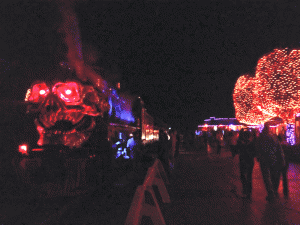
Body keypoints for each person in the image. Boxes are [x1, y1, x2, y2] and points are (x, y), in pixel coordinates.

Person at [256, 123, 287, 201]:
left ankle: (270, 192)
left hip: (264, 159)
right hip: (273, 158)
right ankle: (274, 190)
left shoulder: (261, 137)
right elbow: (279, 148)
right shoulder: (273, 137)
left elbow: (258, 148)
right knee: (274, 175)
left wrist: (258, 156)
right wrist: (281, 158)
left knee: (266, 176)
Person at [238, 130, 256, 199]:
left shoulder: (244, 144)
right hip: (249, 161)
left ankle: (246, 189)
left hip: (245, 161)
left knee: (244, 175)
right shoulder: (250, 143)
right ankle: (248, 190)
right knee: (248, 176)